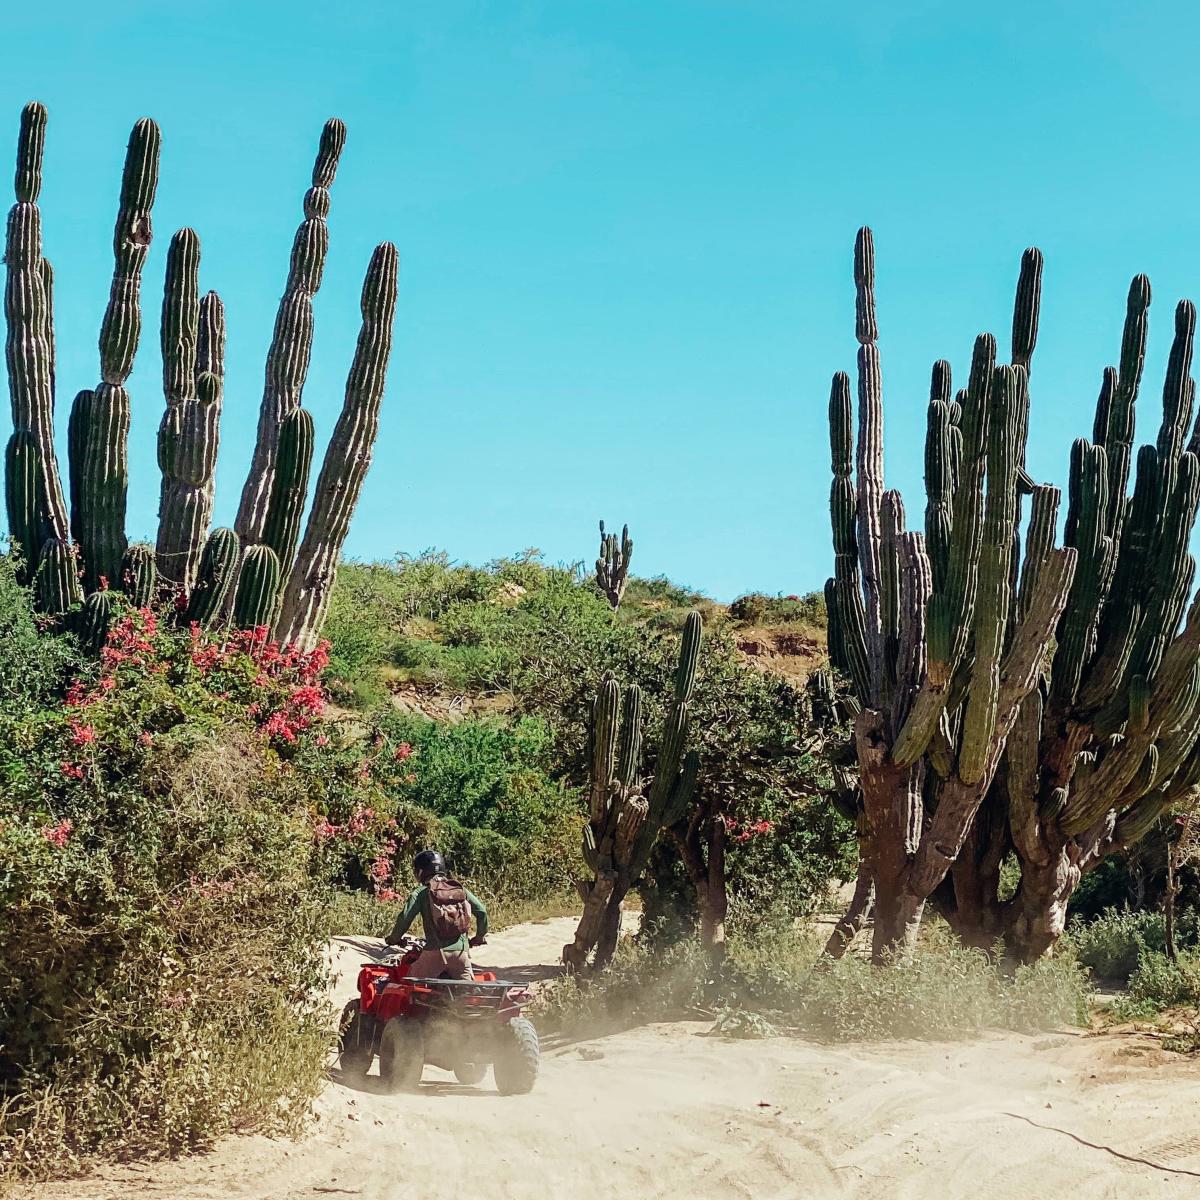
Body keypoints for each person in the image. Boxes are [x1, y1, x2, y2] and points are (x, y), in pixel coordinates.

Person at [385, 849, 488, 980]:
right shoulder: (460, 890)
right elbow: (482, 911)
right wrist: (479, 937)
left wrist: (394, 939)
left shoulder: (420, 893)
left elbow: (405, 918)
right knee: (468, 993)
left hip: (434, 953)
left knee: (406, 984)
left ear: (420, 872)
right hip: (461, 954)